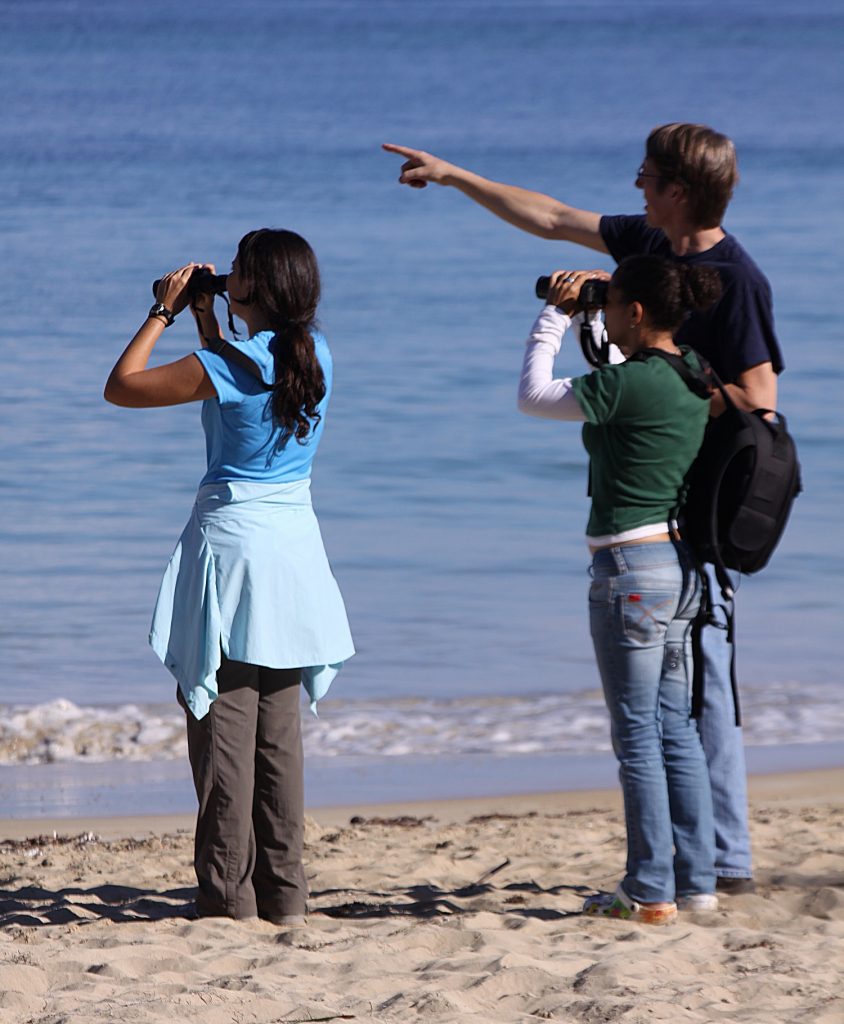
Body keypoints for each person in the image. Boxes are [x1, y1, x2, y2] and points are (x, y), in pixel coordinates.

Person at [384, 124, 784, 891]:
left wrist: (665, 383)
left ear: (677, 190)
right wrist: (453, 174)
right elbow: (552, 217)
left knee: (701, 691)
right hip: (658, 508)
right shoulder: (648, 247)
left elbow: (761, 402)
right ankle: (703, 869)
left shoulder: (738, 277)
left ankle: (724, 861)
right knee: (676, 702)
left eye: (646, 175)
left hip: (695, 513)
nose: (635, 186)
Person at [104, 228, 355, 924]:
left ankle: (226, 899)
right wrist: (211, 318)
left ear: (259, 287)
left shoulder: (231, 366)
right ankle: (286, 896)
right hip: (294, 554)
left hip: (233, 553)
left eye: (239, 268)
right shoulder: (315, 354)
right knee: (278, 738)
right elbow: (249, 371)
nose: (230, 271)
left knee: (221, 732)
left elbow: (121, 387)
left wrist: (162, 312)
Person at [518, 256, 721, 922]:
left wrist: (553, 315)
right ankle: (696, 886)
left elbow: (533, 396)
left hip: (630, 574)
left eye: (610, 305)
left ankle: (648, 891)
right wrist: (593, 312)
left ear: (634, 312)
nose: (600, 313)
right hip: (681, 567)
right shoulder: (691, 370)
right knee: (676, 732)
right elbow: (622, 368)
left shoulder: (631, 384)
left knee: (635, 737)